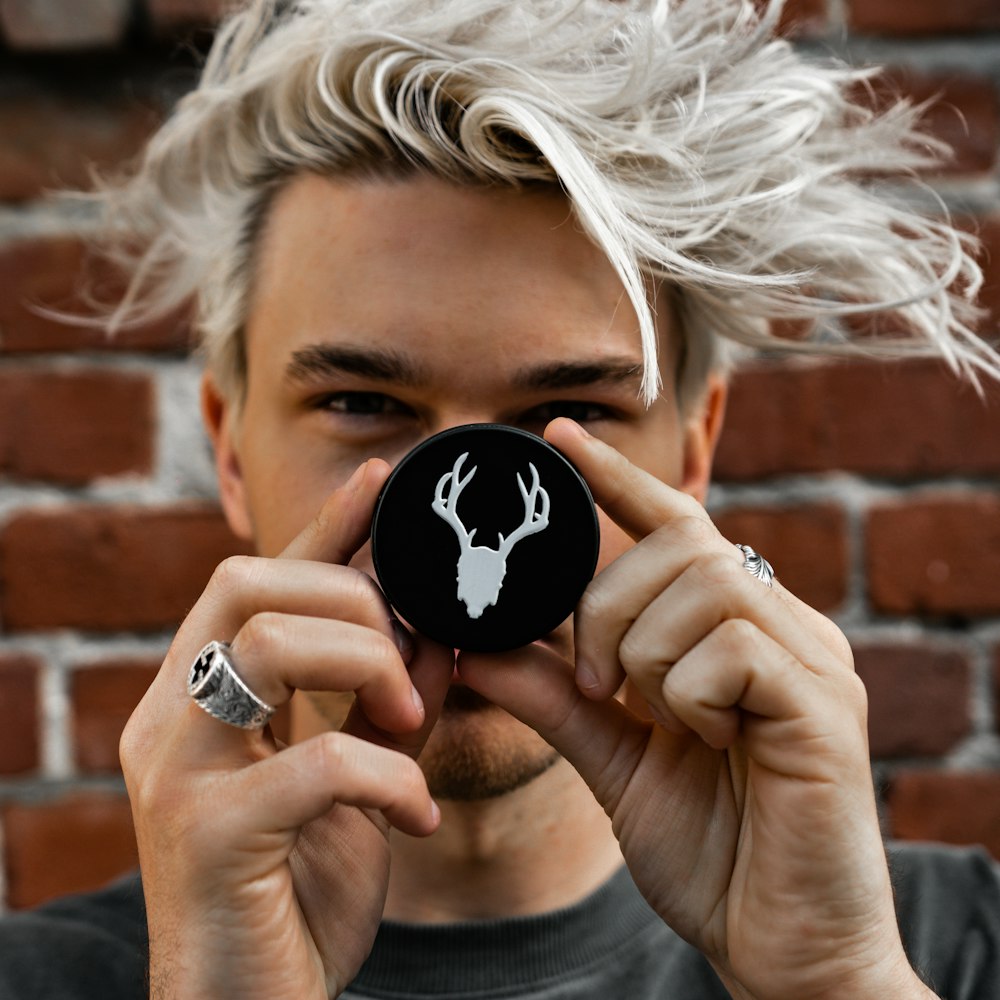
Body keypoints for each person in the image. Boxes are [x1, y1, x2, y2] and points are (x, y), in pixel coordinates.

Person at [3, 1, 1000, 997]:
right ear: (228, 449)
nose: (438, 511)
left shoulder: (953, 951)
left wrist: (834, 980)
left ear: (692, 453)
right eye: (360, 402)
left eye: (568, 409)